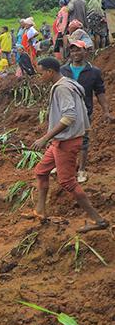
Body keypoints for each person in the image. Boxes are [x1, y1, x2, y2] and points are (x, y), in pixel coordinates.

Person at [31, 58, 109, 233]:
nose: (40, 76)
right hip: (60, 140)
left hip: (66, 141)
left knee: (67, 182)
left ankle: (98, 220)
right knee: (41, 171)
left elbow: (69, 117)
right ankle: (40, 210)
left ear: (50, 72)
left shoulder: (63, 89)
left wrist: (45, 138)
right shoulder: (67, 83)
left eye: (41, 72)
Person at [60, 41, 114, 183]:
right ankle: (65, 166)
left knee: (83, 141)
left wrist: (106, 111)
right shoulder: (63, 70)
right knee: (63, 138)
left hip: (85, 111)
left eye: (78, 50)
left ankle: (82, 170)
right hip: (65, 111)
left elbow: (100, 92)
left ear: (86, 52)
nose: (75, 54)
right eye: (73, 51)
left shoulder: (94, 71)